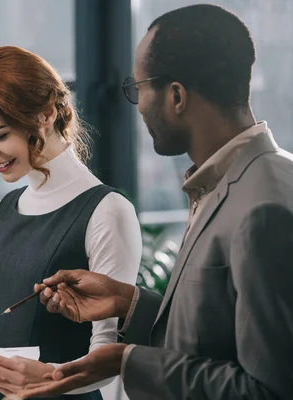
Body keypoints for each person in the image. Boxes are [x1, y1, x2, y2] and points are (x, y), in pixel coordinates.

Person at [19, 4, 293, 400]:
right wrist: (127, 303)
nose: (139, 106)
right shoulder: (230, 180)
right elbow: (214, 335)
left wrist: (125, 362)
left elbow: (268, 391)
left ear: (176, 96)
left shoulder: (263, 208)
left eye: (138, 88)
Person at [0, 46, 142, 399]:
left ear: (46, 114)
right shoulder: (1, 213)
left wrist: (49, 377)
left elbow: (108, 357)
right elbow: (2, 339)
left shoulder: (107, 211)